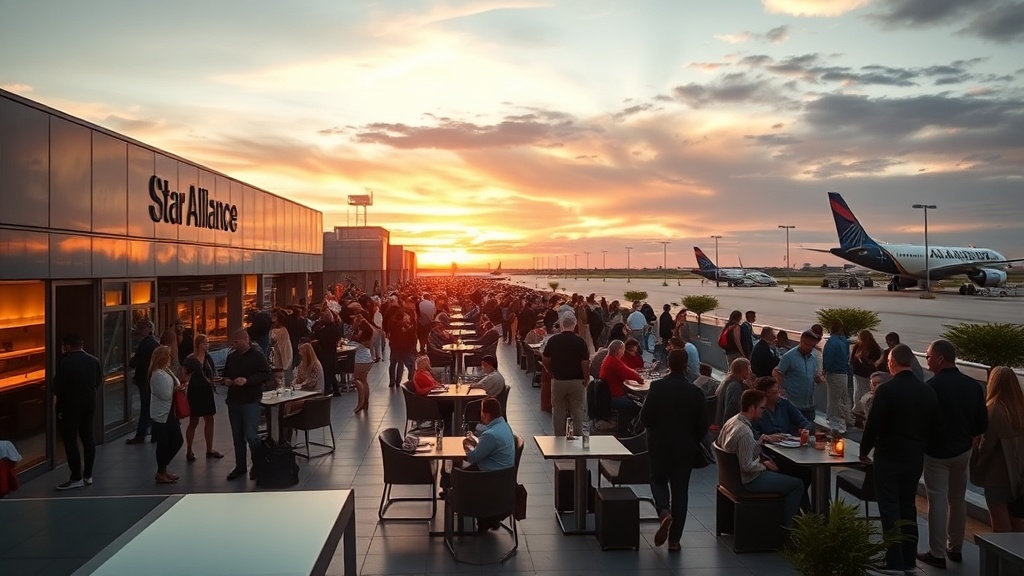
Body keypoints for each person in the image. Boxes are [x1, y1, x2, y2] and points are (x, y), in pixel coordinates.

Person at [860, 344, 939, 573]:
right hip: (914, 459)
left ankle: (893, 561)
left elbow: (873, 425)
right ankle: (909, 560)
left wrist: (864, 451)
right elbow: (934, 425)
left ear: (892, 363)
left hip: (888, 457)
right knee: (908, 506)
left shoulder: (887, 390)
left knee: (890, 508)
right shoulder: (927, 390)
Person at [918, 339, 988, 569]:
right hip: (962, 450)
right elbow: (981, 424)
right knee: (958, 499)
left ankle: (937, 553)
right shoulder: (972, 386)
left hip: (937, 453)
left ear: (940, 359)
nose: (926, 360)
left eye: (928, 356)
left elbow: (923, 423)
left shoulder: (931, 388)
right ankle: (955, 547)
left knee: (937, 499)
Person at [640, 349, 709, 551]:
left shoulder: (657, 387)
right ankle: (675, 541)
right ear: (686, 365)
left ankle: (663, 512)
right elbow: (703, 425)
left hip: (659, 445)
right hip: (685, 449)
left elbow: (645, 418)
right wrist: (691, 440)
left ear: (668, 364)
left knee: (657, 480)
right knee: (680, 492)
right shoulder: (695, 392)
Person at [717, 389, 805, 529]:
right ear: (752, 408)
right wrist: (765, 465)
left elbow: (739, 450)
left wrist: (759, 442)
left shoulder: (732, 422)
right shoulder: (745, 432)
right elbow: (747, 466)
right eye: (762, 408)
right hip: (748, 480)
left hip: (730, 479)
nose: (763, 412)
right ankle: (789, 530)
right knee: (797, 484)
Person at [970, 366, 1024, 533]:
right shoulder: (1020, 407)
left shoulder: (993, 409)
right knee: (1017, 518)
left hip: (996, 476)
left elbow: (986, 446)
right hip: (1018, 475)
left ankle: (1003, 558)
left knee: (1000, 522)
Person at [222, 328, 273, 481]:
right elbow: (226, 373)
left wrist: (248, 381)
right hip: (234, 400)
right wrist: (227, 381)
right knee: (237, 436)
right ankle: (240, 465)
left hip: (251, 400)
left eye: (237, 341)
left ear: (245, 340)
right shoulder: (232, 357)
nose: (234, 344)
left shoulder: (257, 356)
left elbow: (266, 374)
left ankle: (258, 465)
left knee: (251, 435)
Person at [53, 333, 101, 490]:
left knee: (70, 439)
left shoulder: (66, 363)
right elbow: (98, 381)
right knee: (88, 437)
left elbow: (57, 387)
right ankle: (88, 475)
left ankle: (76, 476)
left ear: (67, 346)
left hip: (70, 406)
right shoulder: (94, 360)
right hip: (89, 403)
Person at [542, 313, 590, 437]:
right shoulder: (580, 341)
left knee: (558, 410)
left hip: (558, 380)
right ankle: (578, 435)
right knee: (577, 410)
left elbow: (545, 359)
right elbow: (585, 362)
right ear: (574, 325)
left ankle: (559, 437)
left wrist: (550, 371)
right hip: (576, 381)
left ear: (562, 325)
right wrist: (586, 378)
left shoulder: (553, 340)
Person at [183, 334, 223, 462]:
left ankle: (209, 449)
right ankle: (189, 449)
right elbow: (184, 375)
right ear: (199, 344)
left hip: (207, 390)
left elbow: (212, 373)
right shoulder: (191, 359)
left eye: (208, 343)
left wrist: (214, 380)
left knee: (209, 419)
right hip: (195, 390)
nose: (207, 345)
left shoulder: (208, 357)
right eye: (205, 343)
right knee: (193, 421)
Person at [149, 346, 184, 484]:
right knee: (165, 443)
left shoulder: (166, 371)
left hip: (170, 412)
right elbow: (165, 394)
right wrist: (177, 389)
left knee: (176, 440)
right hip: (162, 414)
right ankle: (161, 471)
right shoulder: (157, 374)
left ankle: (162, 469)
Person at [773, 329, 825, 423]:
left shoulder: (813, 358)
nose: (810, 348)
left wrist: (818, 379)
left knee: (809, 432)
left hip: (809, 404)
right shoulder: (789, 357)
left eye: (812, 346)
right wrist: (781, 389)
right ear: (801, 341)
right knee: (795, 432)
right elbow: (776, 372)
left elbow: (814, 375)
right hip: (793, 404)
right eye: (808, 345)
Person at [126, 319, 159, 444]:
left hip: (144, 378)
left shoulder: (145, 344)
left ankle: (142, 434)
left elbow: (134, 362)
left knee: (146, 406)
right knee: (151, 405)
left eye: (141, 328)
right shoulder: (153, 343)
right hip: (150, 377)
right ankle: (153, 433)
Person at [599, 340, 644, 423]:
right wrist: (640, 378)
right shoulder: (613, 362)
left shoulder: (609, 359)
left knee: (635, 399)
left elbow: (626, 369)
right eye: (622, 349)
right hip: (615, 396)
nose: (623, 352)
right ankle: (632, 427)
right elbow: (627, 372)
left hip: (609, 395)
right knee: (639, 405)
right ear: (618, 350)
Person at [822, 320, 851, 426]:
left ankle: (833, 421)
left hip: (834, 373)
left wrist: (825, 370)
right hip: (844, 373)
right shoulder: (844, 342)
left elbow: (828, 359)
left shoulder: (832, 342)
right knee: (843, 398)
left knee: (833, 400)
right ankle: (846, 418)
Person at [850, 329, 882, 407]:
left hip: (860, 374)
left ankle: (857, 410)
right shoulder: (875, 347)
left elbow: (852, 360)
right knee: (867, 393)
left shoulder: (858, 346)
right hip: (868, 374)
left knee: (858, 393)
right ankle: (864, 410)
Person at [715, 358, 751, 428]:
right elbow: (733, 408)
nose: (750, 372)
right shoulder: (735, 386)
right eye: (748, 369)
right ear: (743, 370)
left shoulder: (728, 382)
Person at [386, 310, 417, 388]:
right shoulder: (407, 326)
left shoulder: (392, 324)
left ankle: (392, 381)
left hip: (395, 347)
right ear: (402, 318)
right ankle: (400, 381)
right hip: (405, 348)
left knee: (393, 363)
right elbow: (412, 338)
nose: (408, 317)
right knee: (404, 363)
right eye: (406, 316)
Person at [350, 314, 374, 413]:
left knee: (357, 380)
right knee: (364, 381)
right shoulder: (368, 329)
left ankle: (361, 403)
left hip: (361, 358)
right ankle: (365, 403)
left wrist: (354, 334)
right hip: (367, 357)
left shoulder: (363, 331)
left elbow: (356, 339)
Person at [269, 311, 293, 390]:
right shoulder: (284, 330)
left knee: (278, 380)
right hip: (283, 358)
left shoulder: (275, 331)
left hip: (277, 358)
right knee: (280, 379)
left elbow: (272, 340)